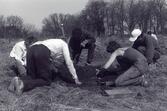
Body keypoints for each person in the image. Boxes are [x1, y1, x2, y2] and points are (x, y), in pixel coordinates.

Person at [8, 39, 82, 95]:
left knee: (32, 76)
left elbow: (49, 62)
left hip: (30, 50)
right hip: (41, 50)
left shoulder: (51, 42)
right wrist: (75, 78)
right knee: (46, 80)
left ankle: (17, 80)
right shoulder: (64, 45)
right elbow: (68, 62)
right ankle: (23, 85)